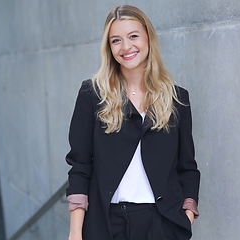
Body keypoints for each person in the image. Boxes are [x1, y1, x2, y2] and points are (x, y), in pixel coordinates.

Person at [65, 5, 200, 240]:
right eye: (116, 40)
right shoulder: (92, 95)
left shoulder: (176, 98)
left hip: (162, 223)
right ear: (109, 47)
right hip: (107, 222)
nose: (126, 47)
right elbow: (80, 166)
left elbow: (187, 167)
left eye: (133, 36)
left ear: (148, 37)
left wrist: (186, 217)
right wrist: (75, 233)